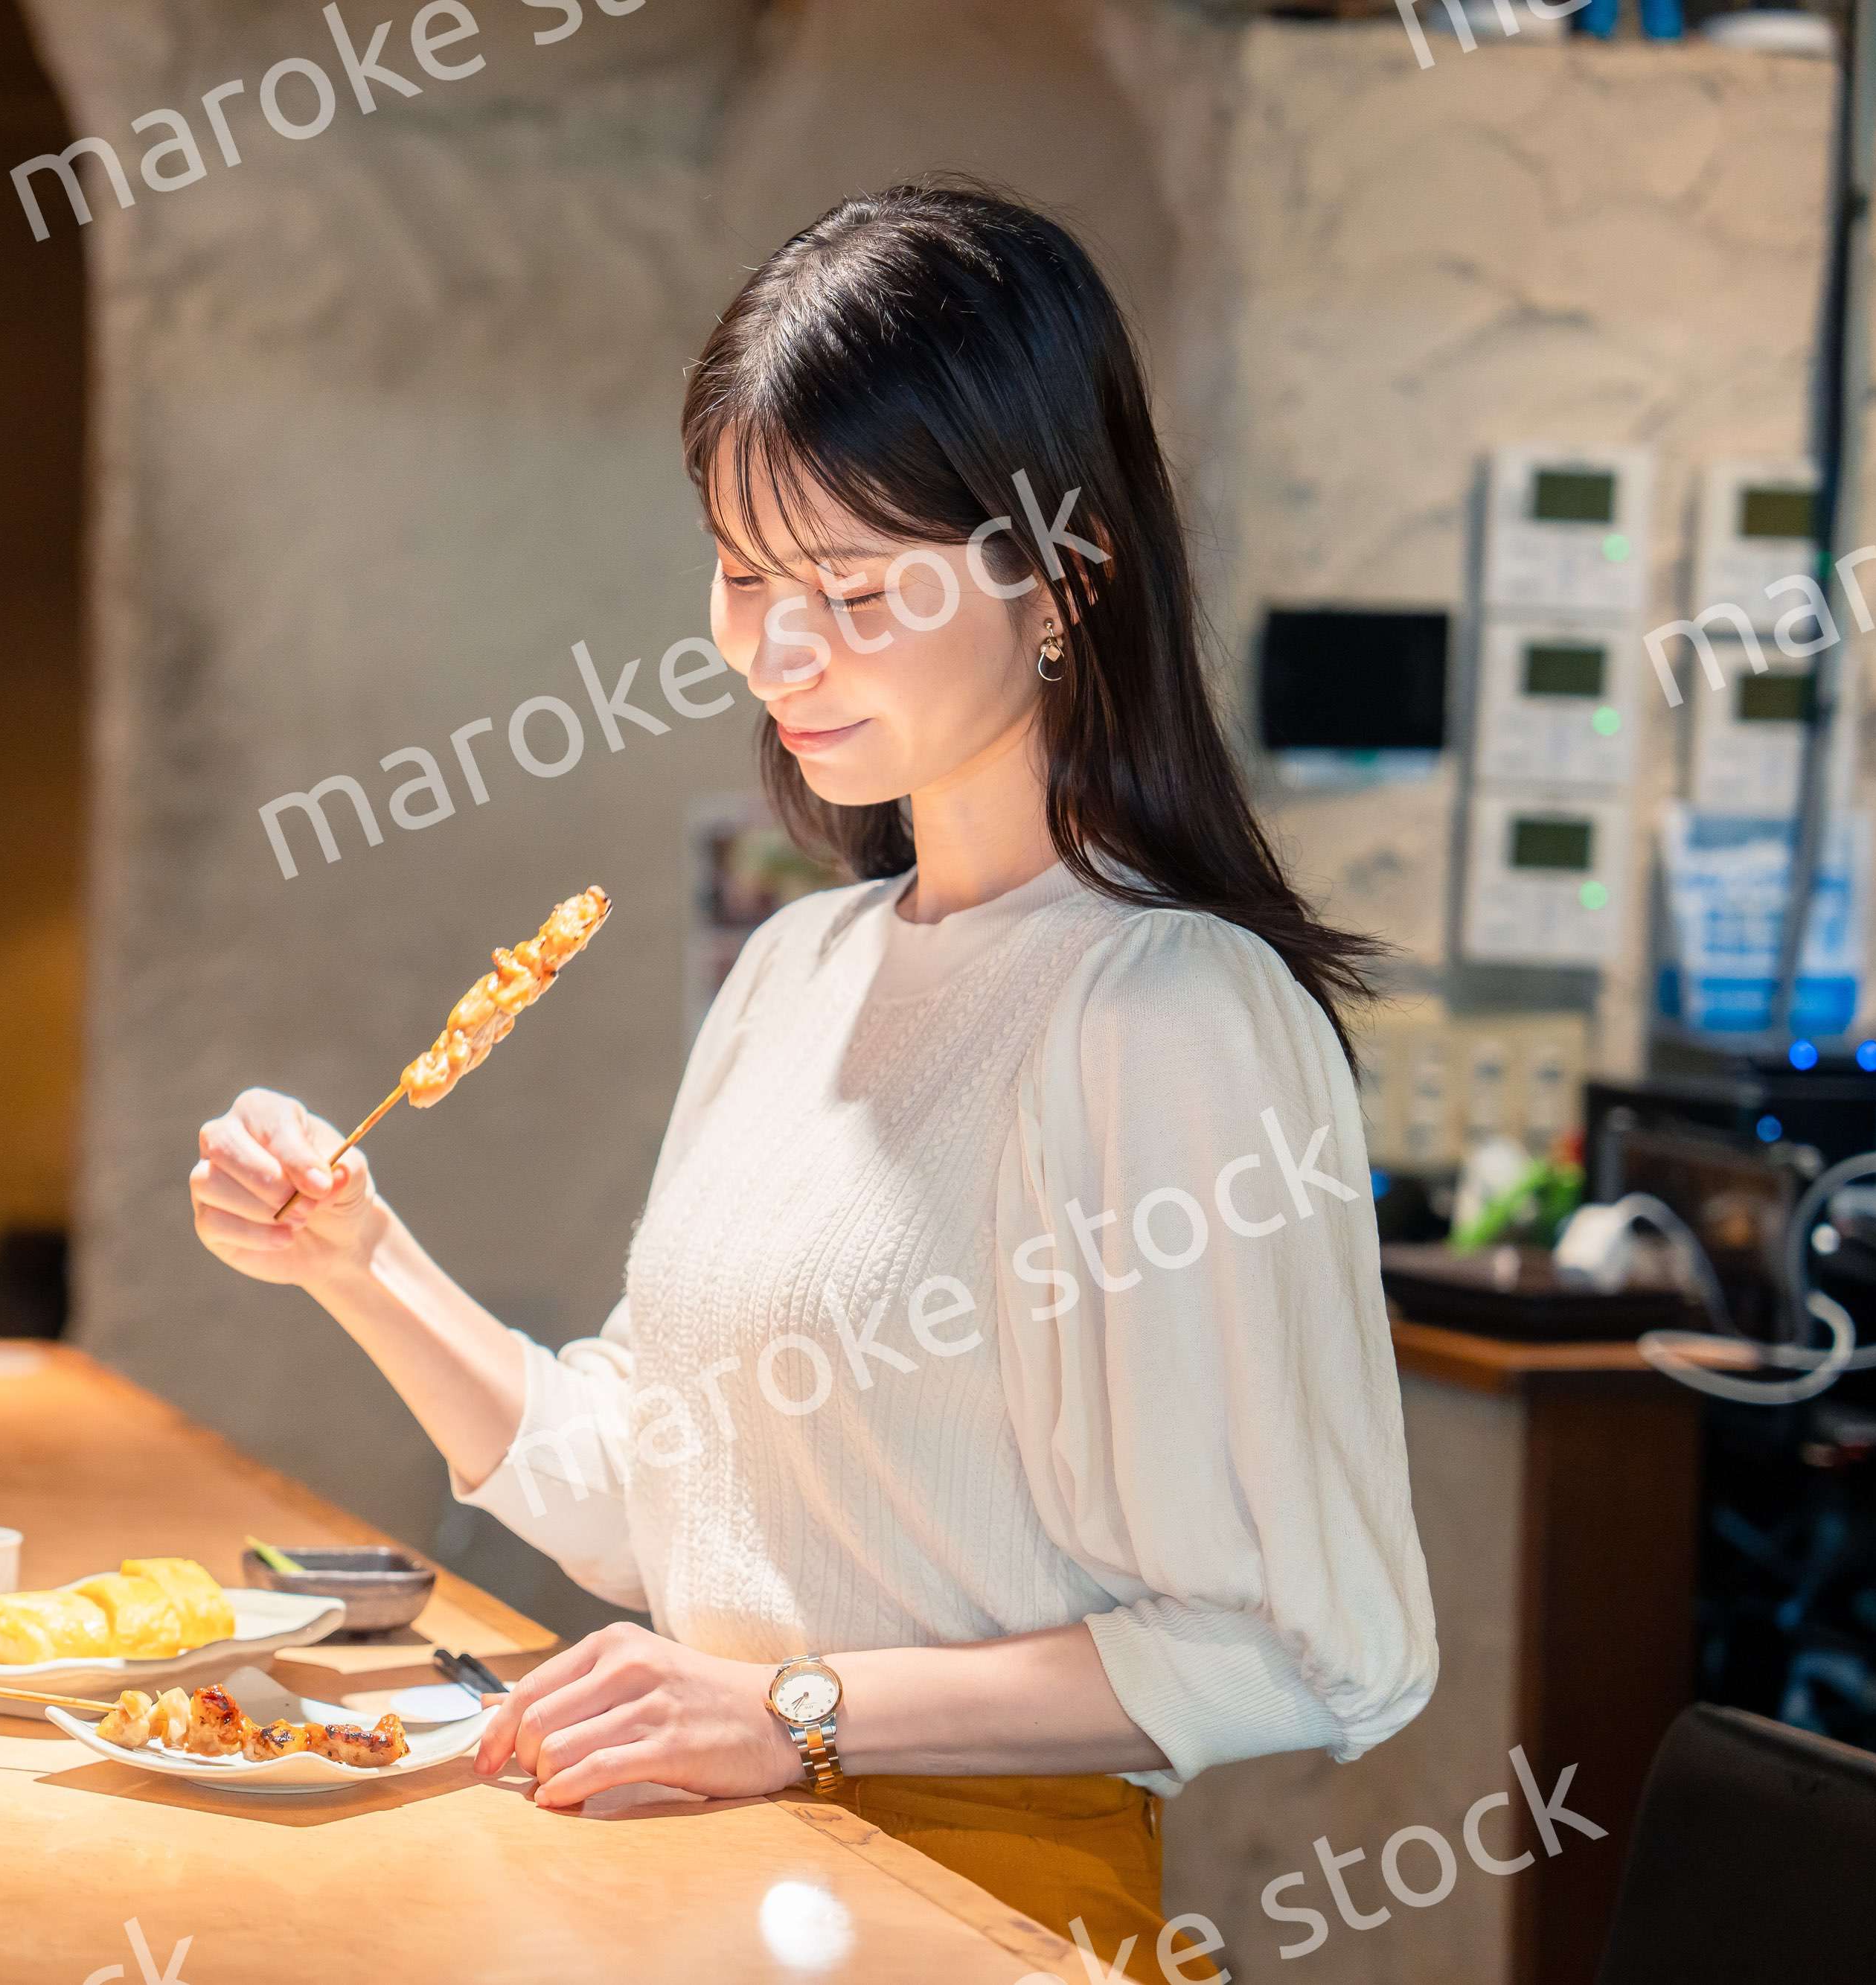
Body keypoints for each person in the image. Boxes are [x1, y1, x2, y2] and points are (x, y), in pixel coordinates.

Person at [188, 182, 1435, 1979]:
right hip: (706, 1897)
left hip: (977, 1921)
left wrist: (794, 1711)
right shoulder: (797, 966)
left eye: (850, 589)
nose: (773, 653)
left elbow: (1309, 1643)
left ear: (1059, 576)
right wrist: (360, 1262)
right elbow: (656, 1501)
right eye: (743, 573)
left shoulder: (1169, 1011)